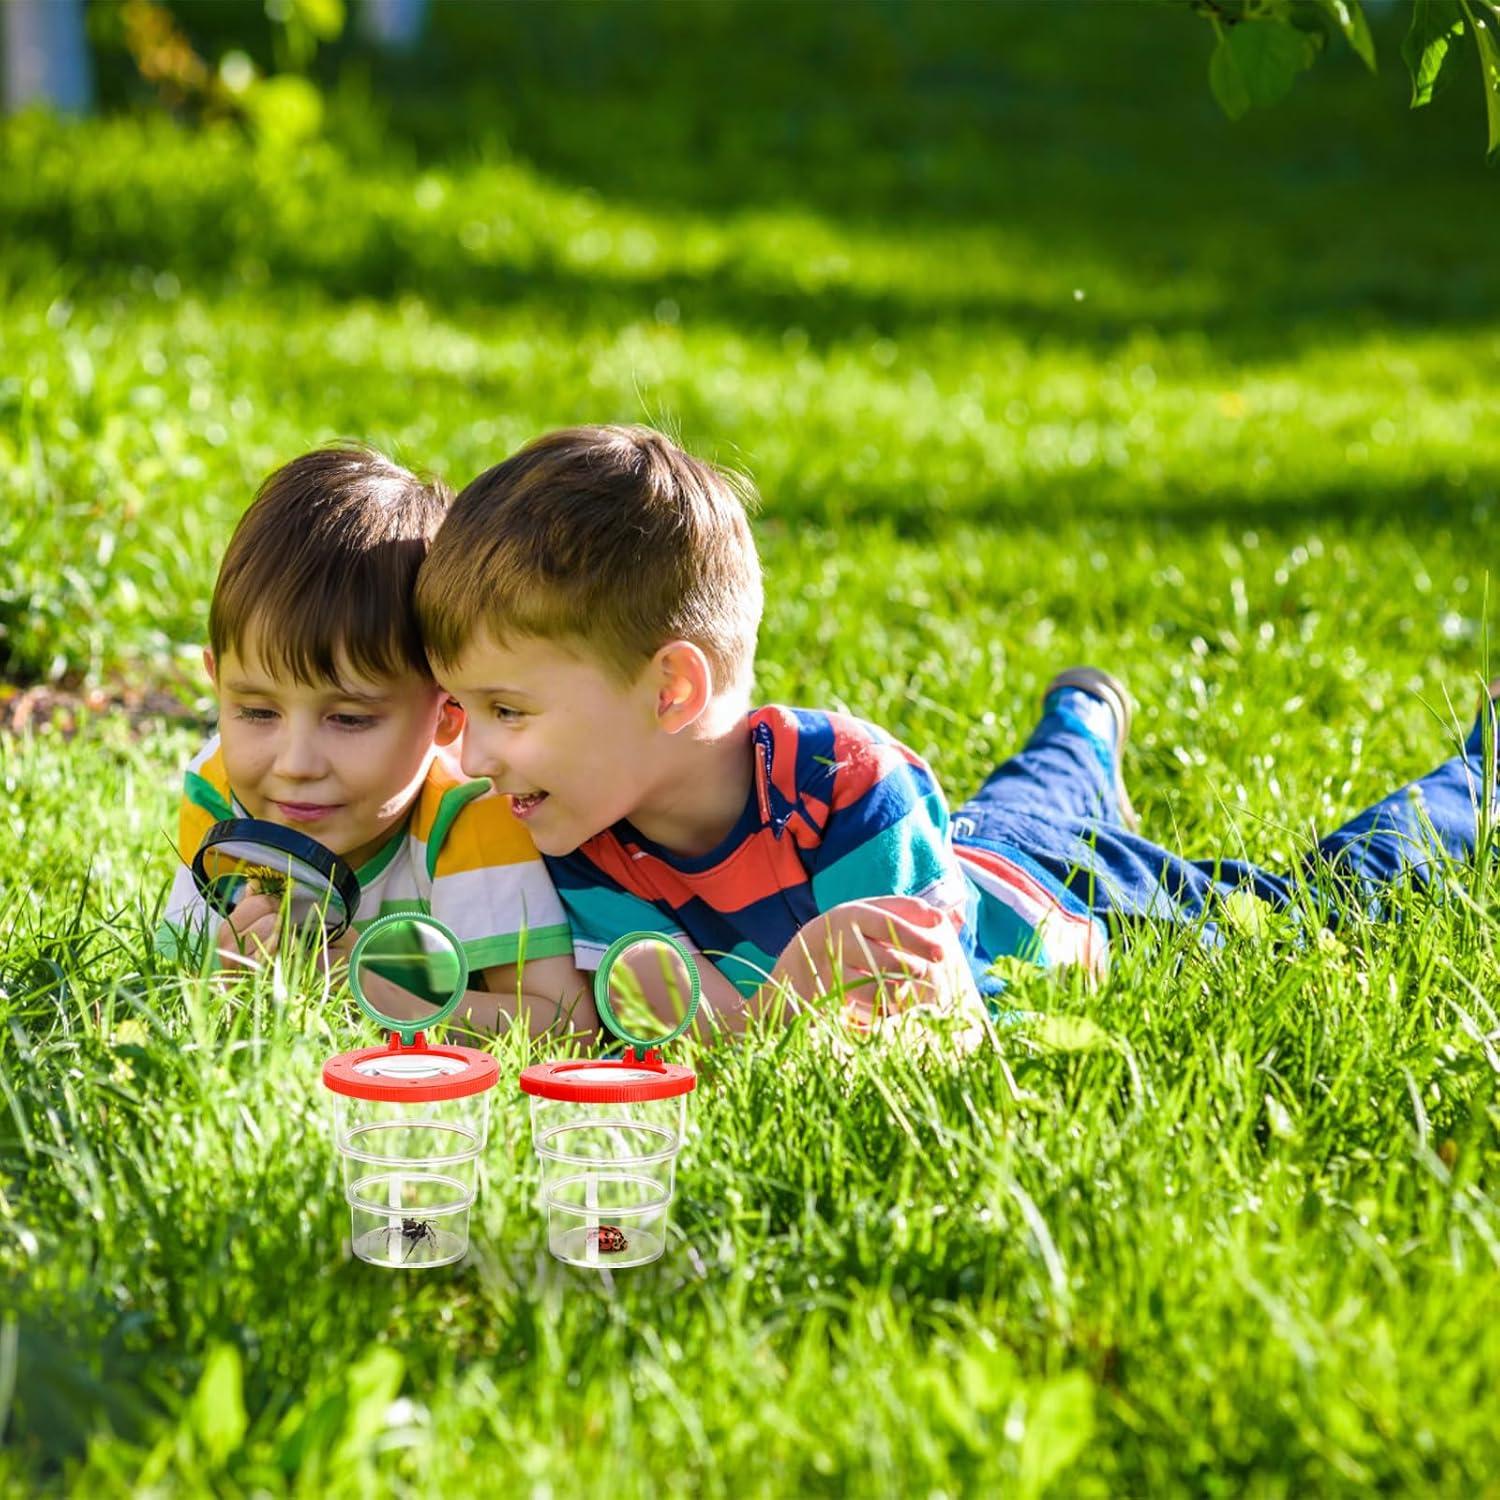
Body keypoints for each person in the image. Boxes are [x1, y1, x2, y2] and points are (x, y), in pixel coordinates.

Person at [413, 425, 1106, 1035]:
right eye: (463, 711)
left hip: (1037, 884)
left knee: (1058, 804)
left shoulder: (850, 788)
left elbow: (941, 1032)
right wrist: (794, 992)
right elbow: (706, 1035)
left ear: (671, 691)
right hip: (965, 844)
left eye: (507, 711)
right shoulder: (581, 843)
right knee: (1027, 793)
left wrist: (802, 1004)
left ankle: (1085, 716)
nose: (472, 758)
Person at [159, 446, 595, 1037]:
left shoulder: (468, 821)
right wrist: (222, 975)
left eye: (349, 719)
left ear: (448, 713)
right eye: (257, 711)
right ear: (216, 682)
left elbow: (565, 1022)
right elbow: (169, 982)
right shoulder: (218, 792)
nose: (295, 764)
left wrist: (374, 992)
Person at [950, 663, 1499, 943]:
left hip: (1031, 910)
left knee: (1316, 911)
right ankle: (1078, 726)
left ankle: (1485, 772)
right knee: (1014, 812)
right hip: (951, 844)